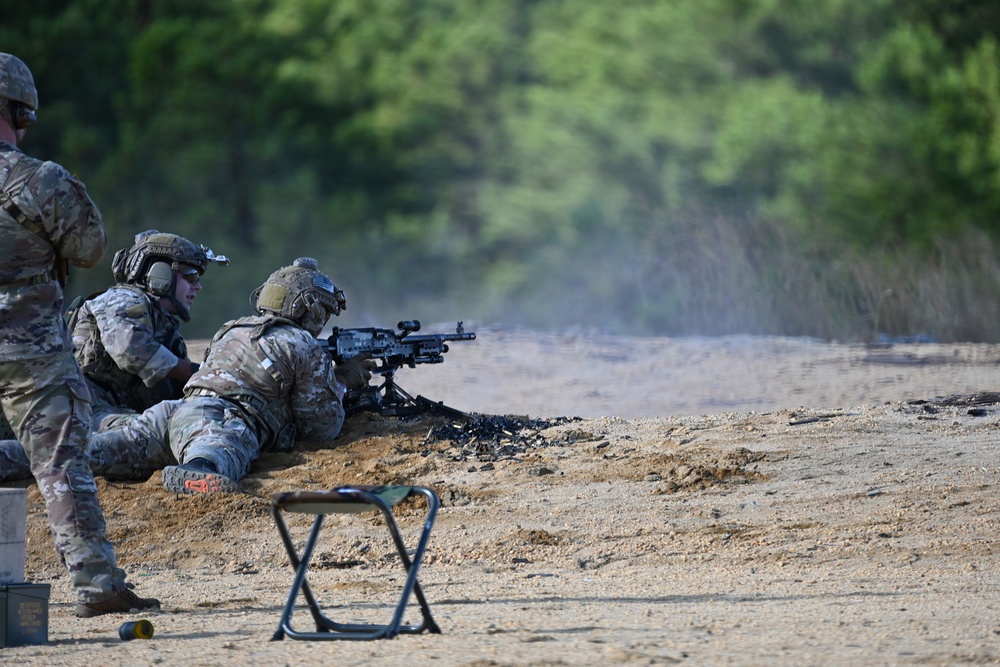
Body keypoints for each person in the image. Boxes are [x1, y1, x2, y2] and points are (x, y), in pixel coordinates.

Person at [0, 52, 159, 616]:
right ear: (20, 109)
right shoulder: (39, 181)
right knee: (62, 468)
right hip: (32, 355)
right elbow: (90, 250)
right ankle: (96, 584)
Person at [88, 257, 374, 494]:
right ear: (308, 308)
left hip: (174, 412)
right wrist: (342, 381)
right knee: (216, 455)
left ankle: (59, 457)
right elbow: (321, 430)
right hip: (222, 421)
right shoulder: (302, 342)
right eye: (323, 313)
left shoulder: (233, 328)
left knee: (105, 450)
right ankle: (196, 470)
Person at [0, 230, 229, 481]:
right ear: (159, 274)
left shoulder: (167, 333)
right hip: (72, 410)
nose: (198, 285)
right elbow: (130, 349)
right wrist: (198, 373)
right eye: (191, 275)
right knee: (143, 438)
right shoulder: (121, 299)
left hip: (94, 413)